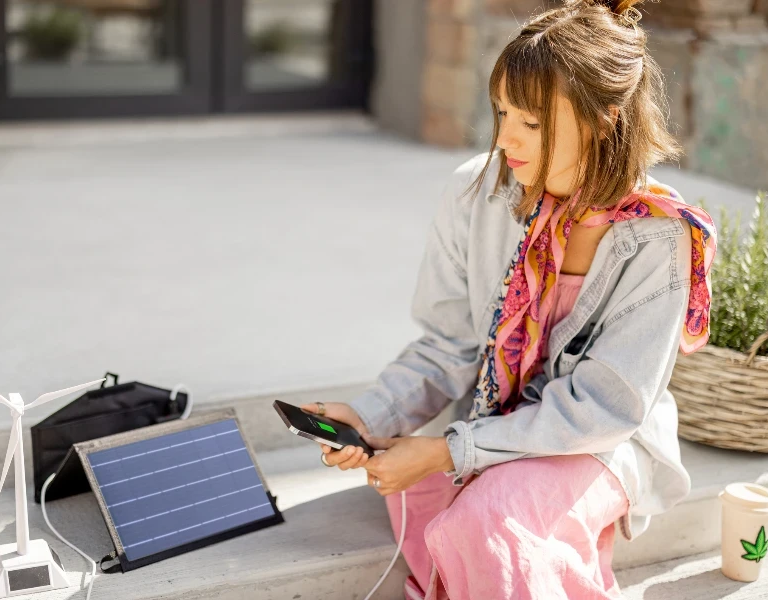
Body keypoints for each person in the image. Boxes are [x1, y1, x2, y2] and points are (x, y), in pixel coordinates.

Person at [300, 1, 718, 598]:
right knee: (421, 496)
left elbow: (603, 409)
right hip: (491, 426)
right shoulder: (477, 193)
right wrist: (370, 417)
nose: (504, 139)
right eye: (501, 112)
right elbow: (448, 343)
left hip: (599, 444)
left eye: (532, 122)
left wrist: (451, 451)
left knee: (492, 519)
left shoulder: (658, 235)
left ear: (604, 119)